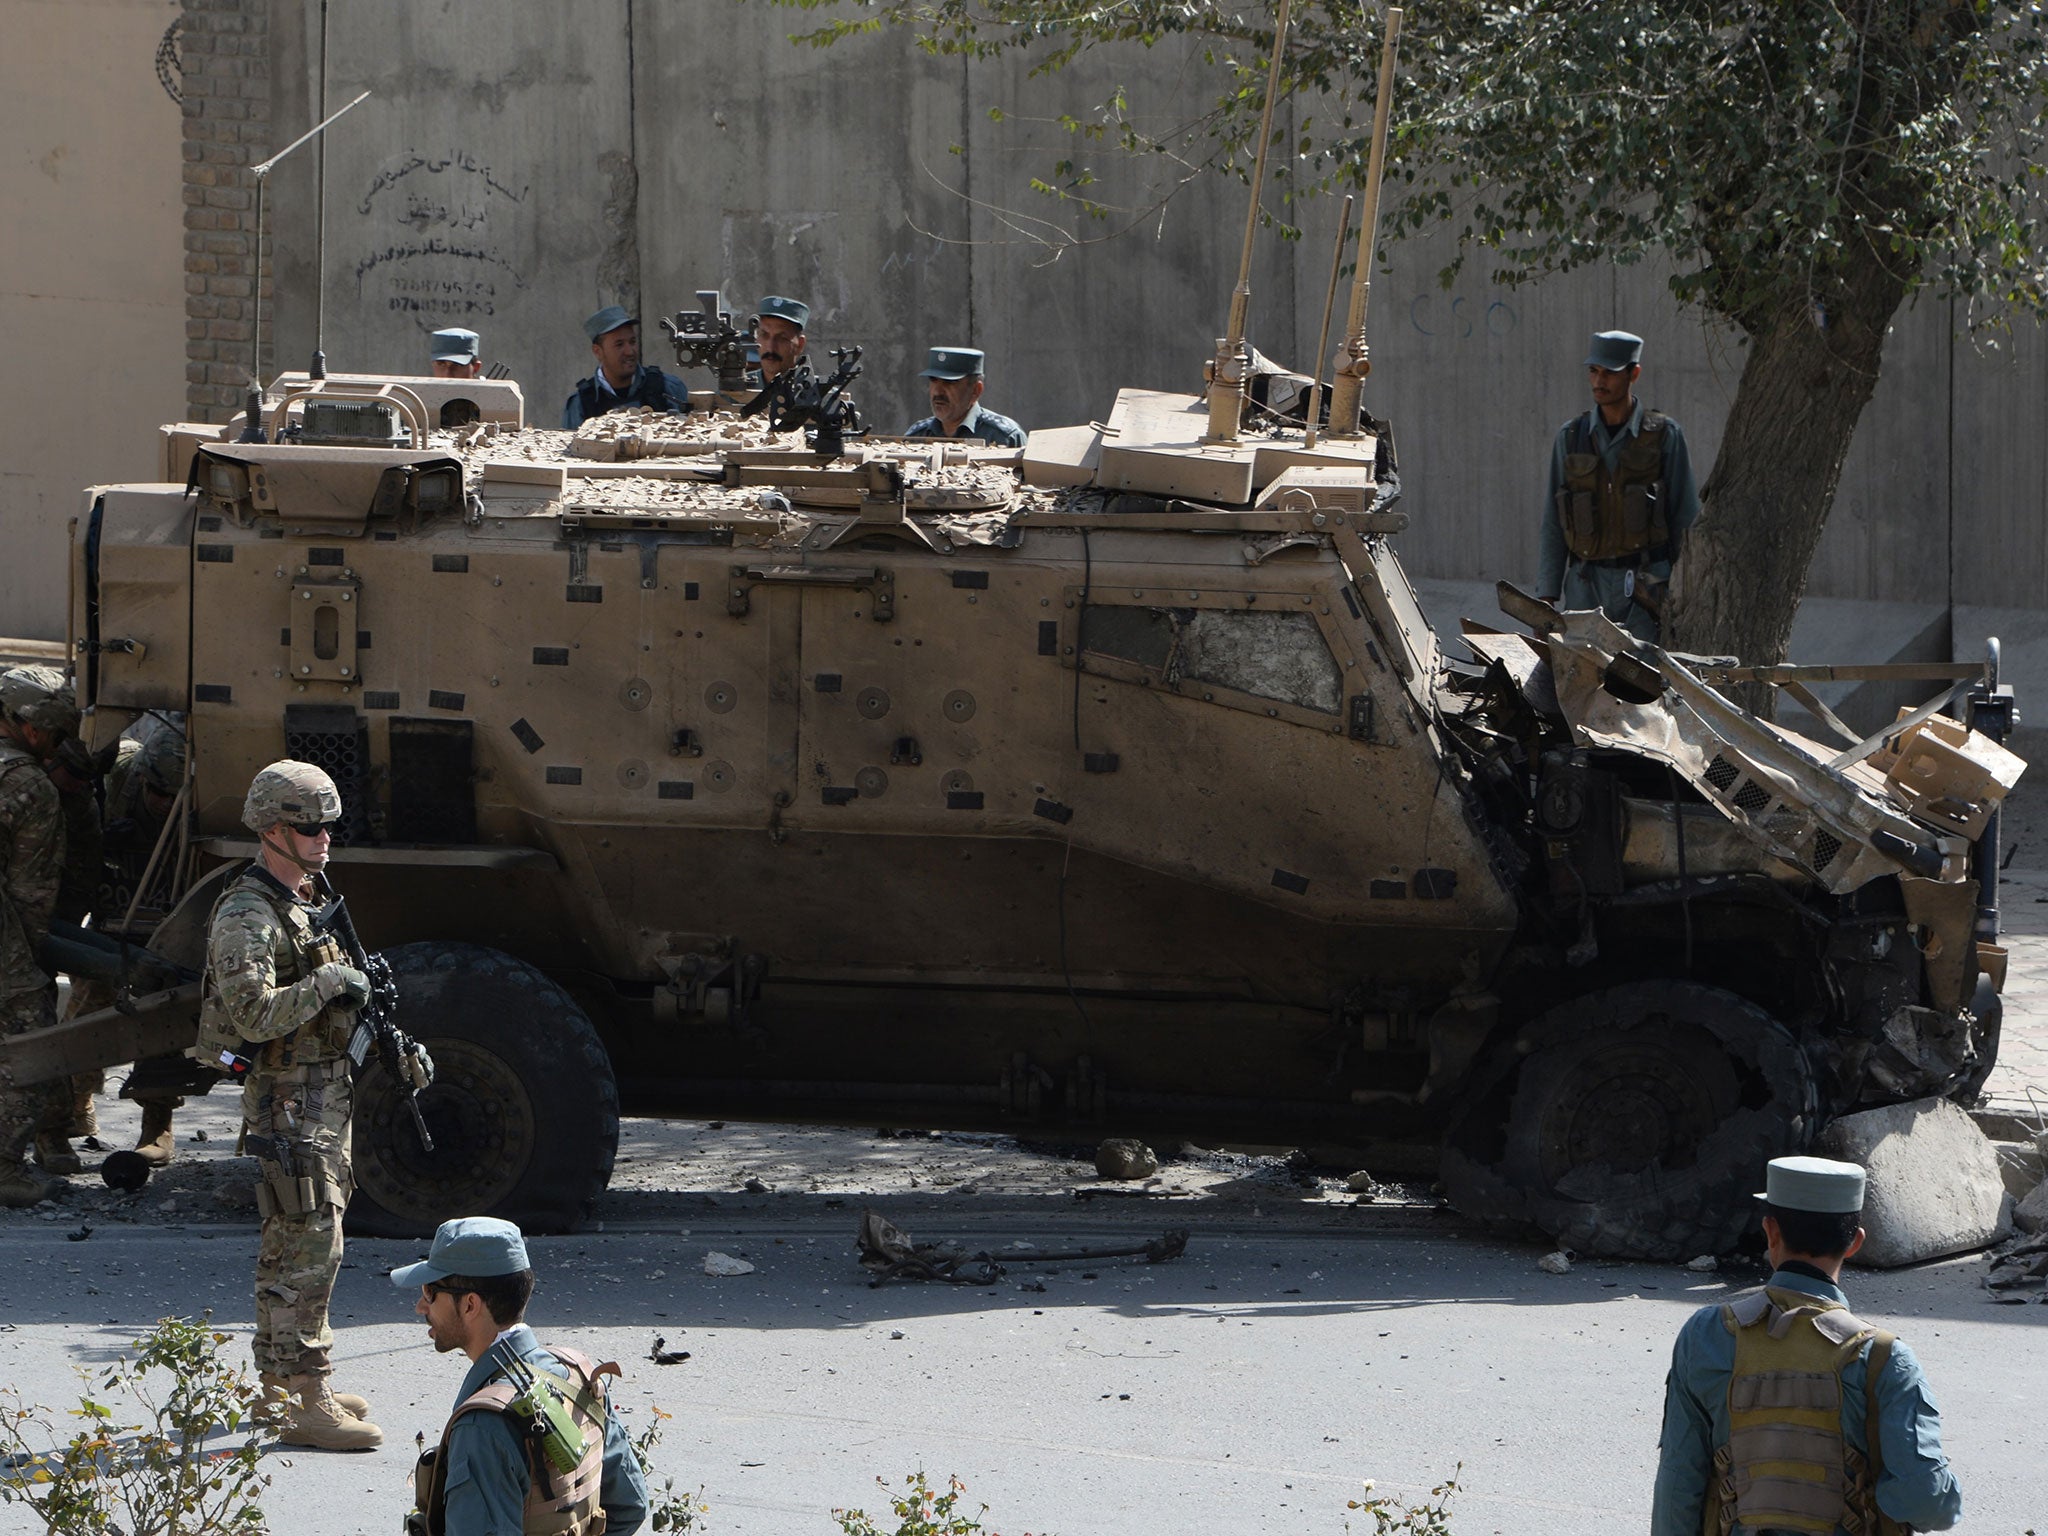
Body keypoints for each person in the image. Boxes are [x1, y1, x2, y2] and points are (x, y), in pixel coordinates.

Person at [202, 759, 430, 1450]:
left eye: (330, 825)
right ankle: (307, 1394)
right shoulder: (249, 913)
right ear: (271, 830)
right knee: (309, 1251)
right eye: (309, 827)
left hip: (321, 1100)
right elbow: (251, 1016)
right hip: (289, 1106)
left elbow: (344, 1004)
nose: (324, 838)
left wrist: (394, 1045)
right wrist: (328, 983)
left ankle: (278, 1390)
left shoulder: (305, 898)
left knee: (295, 1246)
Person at [1652, 1155, 1963, 1536]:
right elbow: (1927, 1503)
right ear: (1855, 1243)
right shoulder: (1884, 1358)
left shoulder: (1705, 1335)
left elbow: (1678, 1486)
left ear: (1771, 1233)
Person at [393, 1216, 649, 1536]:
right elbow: (630, 1506)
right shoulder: (578, 1373)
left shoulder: (482, 1428)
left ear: (471, 1304)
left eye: (430, 1291)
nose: (420, 1306)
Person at [1537, 329, 1700, 642]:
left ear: (1633, 374)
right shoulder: (1571, 437)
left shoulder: (1665, 436)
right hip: (1586, 587)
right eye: (1594, 372)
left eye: (1610, 373)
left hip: (1646, 589)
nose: (1599, 382)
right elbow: (1553, 522)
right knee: (1581, 686)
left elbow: (1685, 521)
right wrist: (1546, 595)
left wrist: (1685, 598)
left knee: (1646, 686)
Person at [89, 725, 193, 1168]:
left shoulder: (198, 802)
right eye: (157, 792)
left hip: (166, 919)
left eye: (174, 795)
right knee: (87, 1013)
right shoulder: (116, 779)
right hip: (114, 911)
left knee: (161, 1018)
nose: (165, 803)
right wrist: (103, 838)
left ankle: (157, 1126)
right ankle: (70, 1115)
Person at [0, 666, 70, 1207]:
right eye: (56, 734)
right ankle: (4, 1170)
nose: (57, 745)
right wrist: (30, 969)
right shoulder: (29, 785)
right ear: (29, 727)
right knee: (34, 1047)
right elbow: (31, 893)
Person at [562, 307, 690, 430]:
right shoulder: (581, 404)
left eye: (632, 342)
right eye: (619, 345)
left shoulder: (668, 388)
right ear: (597, 351)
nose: (629, 351)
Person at [904, 347, 1025, 447]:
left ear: (976, 390)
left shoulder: (1004, 437)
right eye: (933, 380)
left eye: (949, 382)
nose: (937, 392)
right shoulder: (917, 436)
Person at [753, 295, 809, 387]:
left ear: (800, 345)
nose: (770, 347)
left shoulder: (817, 396)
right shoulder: (733, 392)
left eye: (782, 338)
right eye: (764, 335)